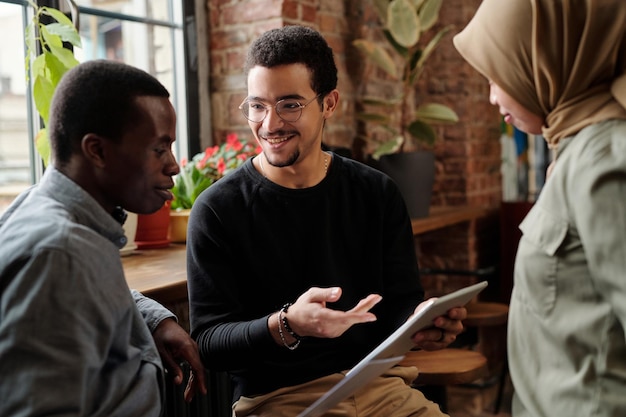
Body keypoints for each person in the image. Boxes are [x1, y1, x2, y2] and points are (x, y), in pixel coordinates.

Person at [187, 25, 466, 417]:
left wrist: (422, 325)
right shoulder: (217, 209)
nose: (269, 125)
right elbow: (210, 344)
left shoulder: (376, 193)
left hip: (379, 387)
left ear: (329, 104)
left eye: (289, 104)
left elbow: (398, 309)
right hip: (279, 400)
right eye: (257, 105)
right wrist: (288, 324)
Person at [0, 60, 207, 416]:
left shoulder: (48, 211)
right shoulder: (60, 253)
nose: (174, 165)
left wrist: (152, 318)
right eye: (159, 148)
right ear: (96, 150)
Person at [454, 1, 626, 416]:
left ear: (548, 60)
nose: (493, 97)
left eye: (499, 75)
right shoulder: (573, 151)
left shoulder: (604, 158)